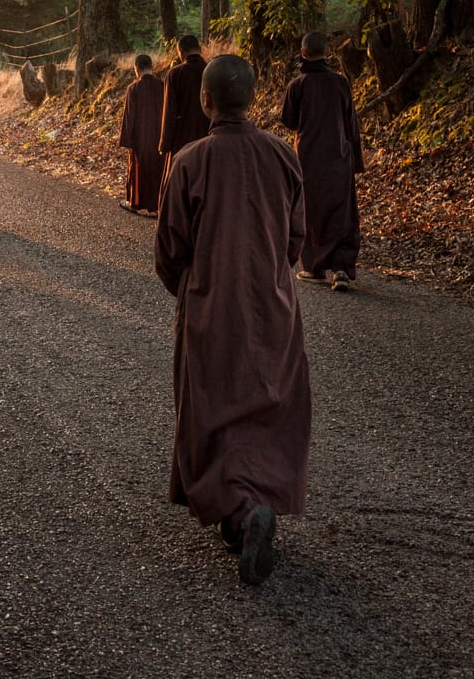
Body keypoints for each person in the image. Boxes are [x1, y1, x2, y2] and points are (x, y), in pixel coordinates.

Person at [155, 54, 312, 586]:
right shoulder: (281, 156)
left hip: (209, 303)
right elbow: (296, 238)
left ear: (204, 101)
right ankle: (257, 503)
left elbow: (169, 249)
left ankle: (240, 512)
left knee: (214, 403)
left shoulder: (190, 161)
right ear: (255, 98)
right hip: (272, 303)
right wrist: (270, 278)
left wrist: (195, 291)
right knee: (267, 402)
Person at [280, 30, 364, 292]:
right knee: (342, 211)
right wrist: (356, 161)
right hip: (339, 155)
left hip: (308, 157)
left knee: (312, 211)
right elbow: (352, 123)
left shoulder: (297, 85)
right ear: (327, 53)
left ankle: (314, 267)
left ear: (303, 54)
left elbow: (289, 121)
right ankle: (341, 268)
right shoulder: (340, 83)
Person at [157, 34, 210, 207]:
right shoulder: (211, 71)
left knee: (177, 187)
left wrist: (165, 144)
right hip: (209, 136)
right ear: (200, 49)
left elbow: (169, 112)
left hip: (182, 139)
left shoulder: (175, 74)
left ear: (181, 52)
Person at [118, 54, 165, 217]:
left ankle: (135, 203)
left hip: (140, 137)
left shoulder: (134, 88)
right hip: (160, 137)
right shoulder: (162, 86)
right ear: (152, 67)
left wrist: (127, 140)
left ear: (136, 69)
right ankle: (157, 206)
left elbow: (129, 116)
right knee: (159, 170)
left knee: (138, 171)